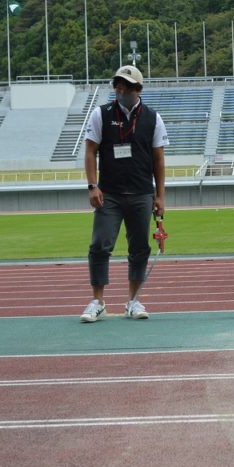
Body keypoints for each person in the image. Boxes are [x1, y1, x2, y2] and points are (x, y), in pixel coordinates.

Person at [81, 65, 168, 322]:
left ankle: (133, 300)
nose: (120, 89)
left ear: (138, 89)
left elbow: (159, 160)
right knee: (100, 244)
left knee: (140, 247)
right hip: (109, 194)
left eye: (126, 86)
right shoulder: (101, 114)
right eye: (117, 84)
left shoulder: (153, 118)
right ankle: (97, 301)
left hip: (142, 193)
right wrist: (92, 185)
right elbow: (90, 151)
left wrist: (160, 196)